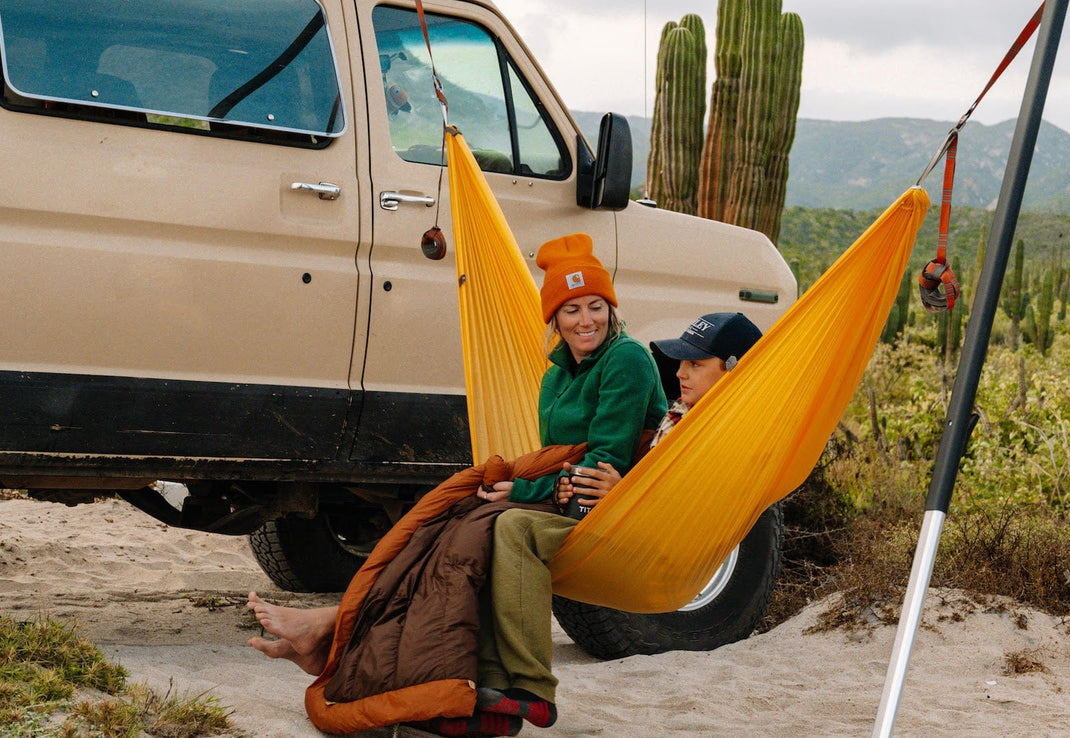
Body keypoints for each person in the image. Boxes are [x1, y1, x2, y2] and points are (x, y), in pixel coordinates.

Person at [248, 233, 668, 735]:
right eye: (572, 309)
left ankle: (527, 689)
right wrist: (527, 485)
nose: (586, 320)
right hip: (565, 496)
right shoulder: (556, 376)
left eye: (596, 306)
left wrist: (524, 491)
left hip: (616, 507)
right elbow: (557, 463)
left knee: (504, 528)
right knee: (449, 533)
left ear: (611, 309)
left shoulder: (626, 359)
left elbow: (600, 465)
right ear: (553, 318)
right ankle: (465, 687)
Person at [470, 310, 762, 732]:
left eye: (696, 364)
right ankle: (499, 687)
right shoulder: (683, 412)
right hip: (621, 516)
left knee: (515, 530)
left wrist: (624, 493)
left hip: (649, 536)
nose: (680, 372)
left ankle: (531, 689)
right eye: (681, 361)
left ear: (733, 370)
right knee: (501, 525)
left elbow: (701, 499)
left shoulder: (724, 428)